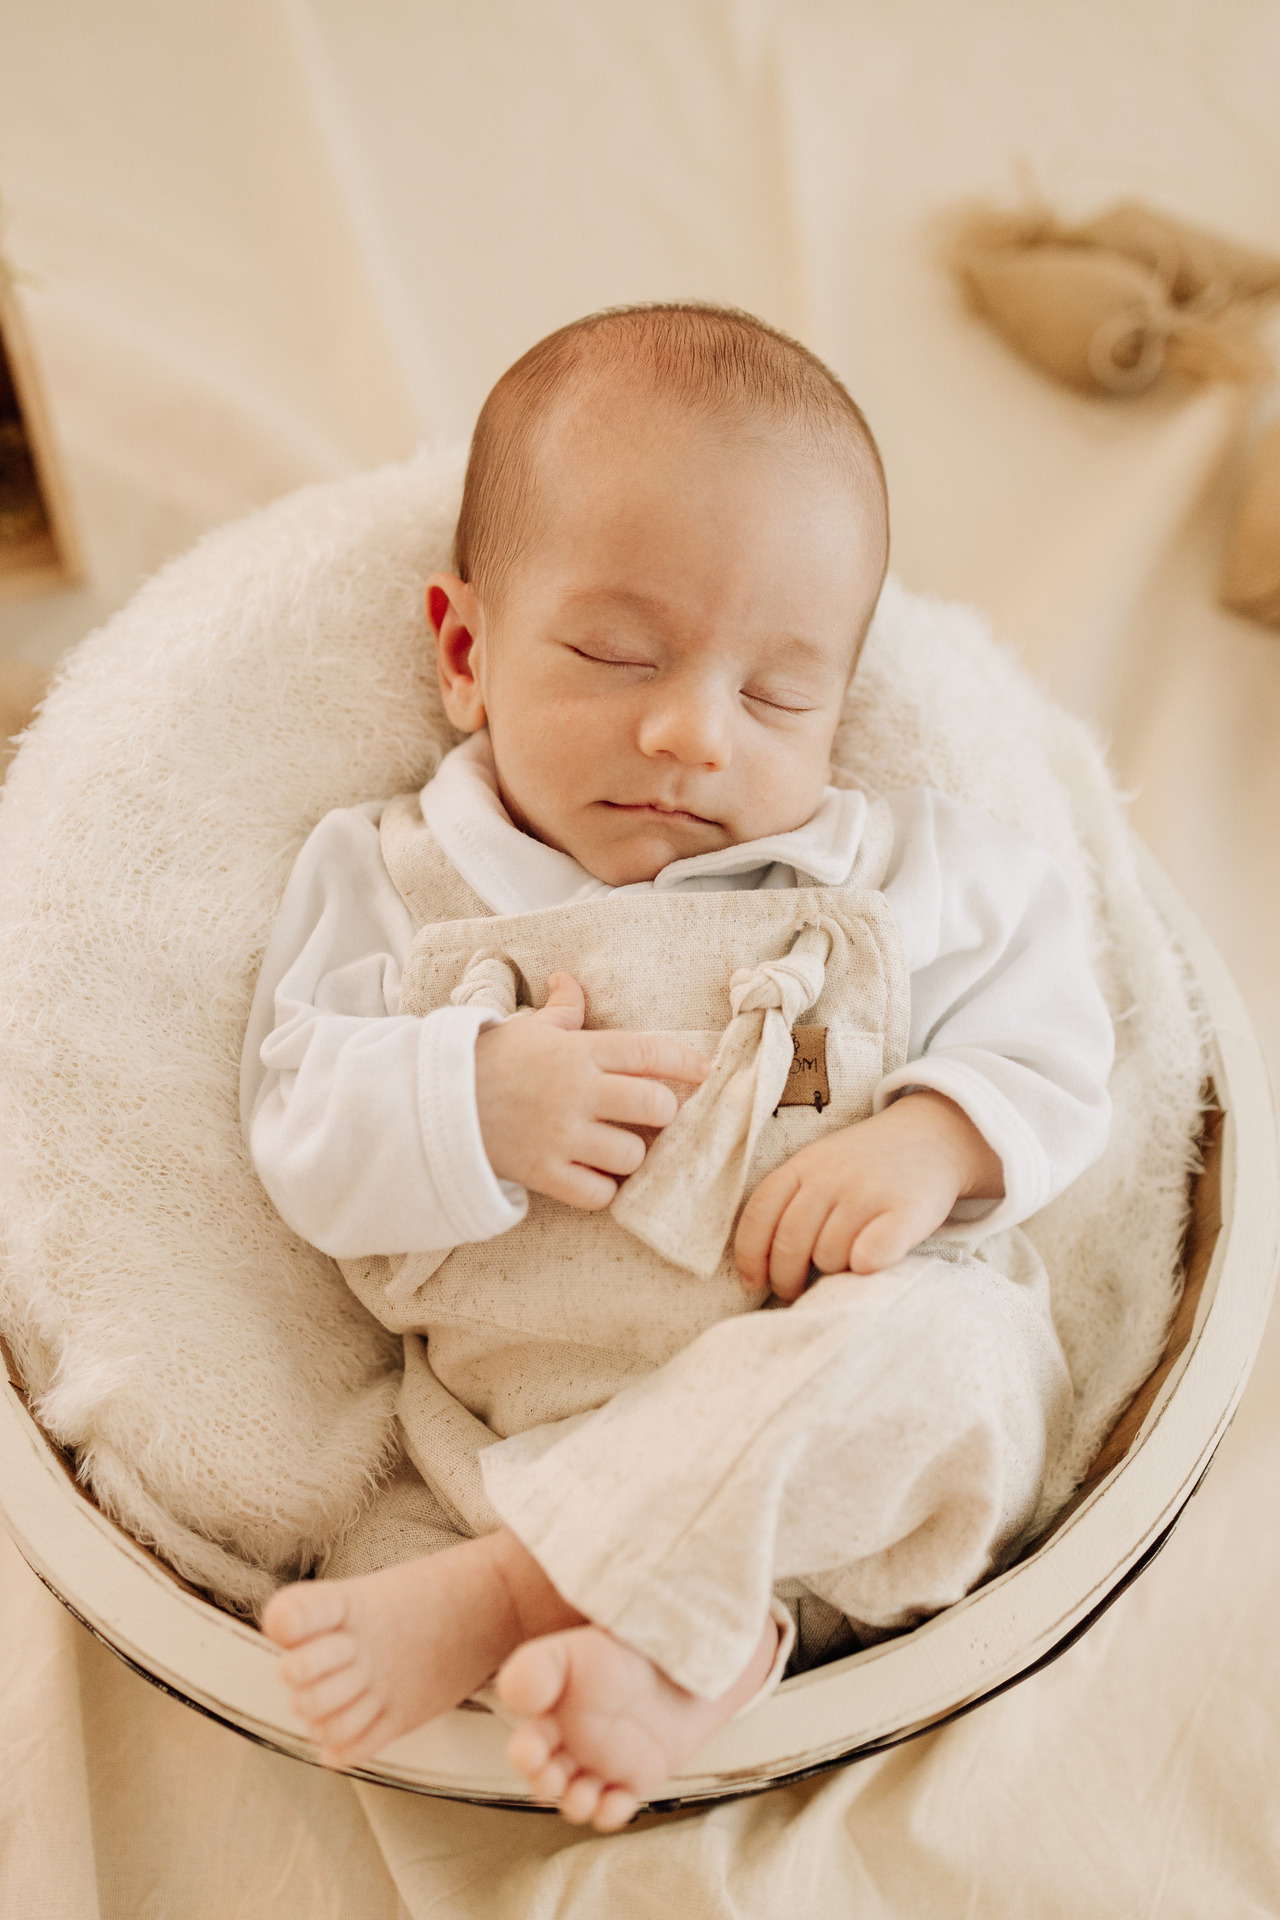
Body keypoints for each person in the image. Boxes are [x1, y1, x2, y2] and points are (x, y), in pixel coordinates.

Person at [243, 304, 1113, 1832]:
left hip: (857, 1428)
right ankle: (675, 1646)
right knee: (345, 1598)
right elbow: (294, 1119)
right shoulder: (394, 875)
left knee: (964, 1353)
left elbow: (1060, 1031)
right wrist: (471, 1096)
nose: (692, 734)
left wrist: (931, 1138)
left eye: (779, 695)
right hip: (520, 1441)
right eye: (615, 652)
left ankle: (529, 1595)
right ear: (465, 650)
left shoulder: (898, 870)